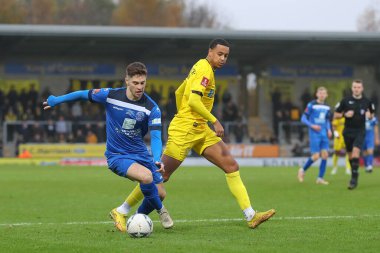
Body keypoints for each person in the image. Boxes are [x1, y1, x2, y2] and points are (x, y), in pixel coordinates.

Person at [120, 38, 276, 229]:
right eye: (219, 54)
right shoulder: (204, 69)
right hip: (186, 129)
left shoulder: (202, 68)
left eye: (226, 55)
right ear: (210, 52)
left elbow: (179, 92)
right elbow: (194, 101)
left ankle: (250, 215)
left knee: (231, 165)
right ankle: (121, 211)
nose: (223, 58)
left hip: (199, 128)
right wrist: (213, 120)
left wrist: (184, 114)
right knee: (161, 175)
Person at [43, 62, 173, 231]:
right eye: (135, 83)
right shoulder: (110, 96)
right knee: (147, 178)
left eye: (142, 83)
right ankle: (162, 212)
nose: (139, 87)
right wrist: (57, 100)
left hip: (140, 153)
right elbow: (83, 94)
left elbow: (156, 137)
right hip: (117, 155)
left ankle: (130, 216)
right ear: (127, 81)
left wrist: (156, 159)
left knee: (161, 193)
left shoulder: (152, 107)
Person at [334, 79, 375, 190]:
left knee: (356, 152)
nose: (356, 89)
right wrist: (344, 114)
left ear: (362, 88)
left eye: (358, 87)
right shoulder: (345, 100)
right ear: (352, 88)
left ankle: (354, 179)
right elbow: (336, 114)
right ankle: (355, 173)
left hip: (360, 131)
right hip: (347, 131)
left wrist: (369, 115)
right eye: (355, 87)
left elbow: (372, 114)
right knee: (351, 156)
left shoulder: (367, 102)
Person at [297, 87, 332, 185]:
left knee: (325, 155)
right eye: (320, 93)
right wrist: (312, 125)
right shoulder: (311, 105)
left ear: (326, 95)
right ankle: (302, 170)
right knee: (316, 156)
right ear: (316, 94)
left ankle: (320, 178)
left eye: (323, 93)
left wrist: (329, 129)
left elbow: (327, 120)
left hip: (324, 133)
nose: (322, 95)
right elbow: (303, 118)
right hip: (314, 133)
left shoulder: (327, 107)